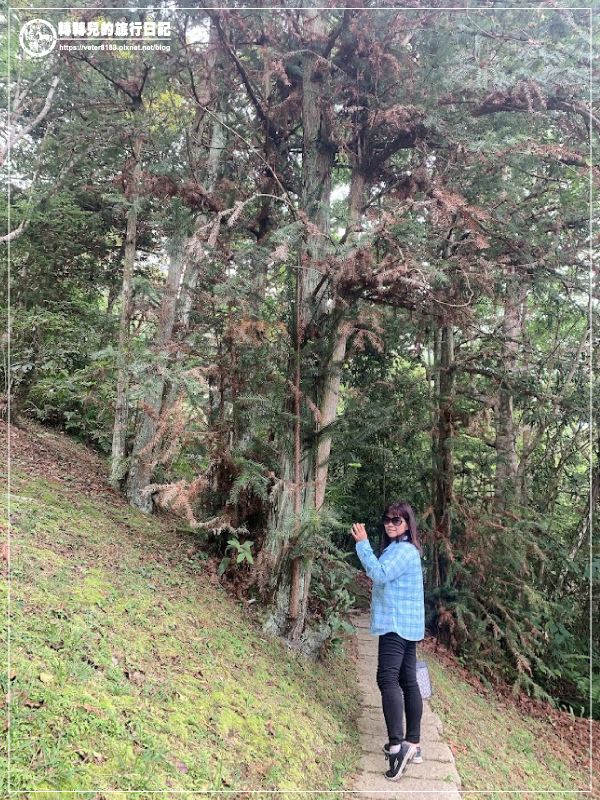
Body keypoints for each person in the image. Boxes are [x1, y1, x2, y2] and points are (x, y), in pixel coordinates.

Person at [351, 501, 425, 781]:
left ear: (408, 524)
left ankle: (397, 747)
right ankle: (413, 745)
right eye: (388, 519)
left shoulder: (403, 550)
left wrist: (362, 544)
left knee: (387, 679)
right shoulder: (403, 548)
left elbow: (379, 574)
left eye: (398, 520)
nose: (391, 524)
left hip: (396, 625)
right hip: (407, 625)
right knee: (407, 681)